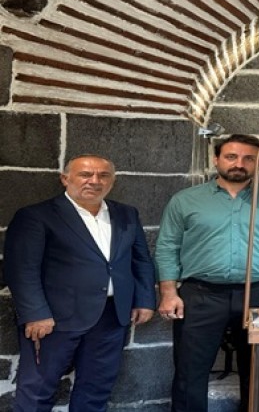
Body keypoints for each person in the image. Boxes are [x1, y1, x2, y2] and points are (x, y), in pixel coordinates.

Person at [154, 134, 259, 412]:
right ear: (216, 159)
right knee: (190, 370)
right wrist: (168, 292)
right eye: (231, 157)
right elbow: (167, 246)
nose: (239, 164)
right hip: (201, 294)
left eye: (249, 158)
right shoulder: (186, 200)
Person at [3, 154, 156, 412]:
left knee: (97, 389)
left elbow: (141, 259)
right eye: (85, 174)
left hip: (111, 316)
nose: (94, 181)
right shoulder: (37, 216)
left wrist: (144, 300)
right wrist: (35, 314)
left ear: (112, 181)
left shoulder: (126, 214)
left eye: (103, 176)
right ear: (65, 179)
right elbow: (21, 269)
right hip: (54, 319)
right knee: (38, 391)